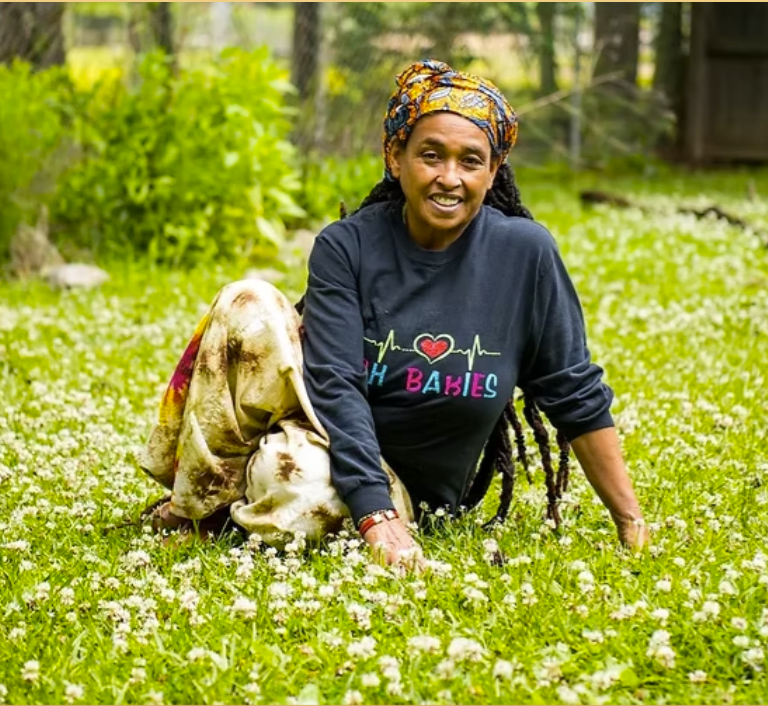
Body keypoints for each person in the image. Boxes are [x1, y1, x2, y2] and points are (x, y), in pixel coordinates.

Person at [140, 60, 648, 565]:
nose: (449, 178)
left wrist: (629, 519)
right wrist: (372, 517)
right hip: (329, 436)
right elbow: (335, 381)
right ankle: (197, 508)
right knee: (246, 300)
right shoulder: (348, 245)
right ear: (395, 157)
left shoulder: (525, 255)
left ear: (493, 172)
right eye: (431, 155)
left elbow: (573, 388)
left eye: (470, 161)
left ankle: (254, 487)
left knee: (292, 483)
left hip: (409, 492)